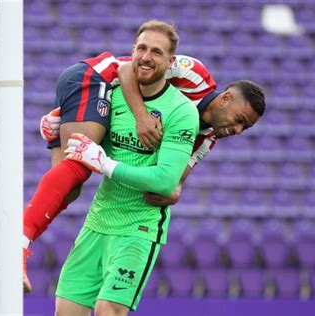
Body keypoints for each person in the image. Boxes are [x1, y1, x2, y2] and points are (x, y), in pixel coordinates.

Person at [22, 31, 215, 292]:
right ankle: (18, 244)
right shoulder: (197, 78)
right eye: (239, 118)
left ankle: (54, 137)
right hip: (96, 77)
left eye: (245, 127)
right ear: (227, 98)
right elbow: (125, 70)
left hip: (98, 92)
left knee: (68, 190)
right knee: (81, 164)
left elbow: (171, 183)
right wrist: (141, 116)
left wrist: (172, 192)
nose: (237, 128)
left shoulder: (206, 135)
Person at [54, 19, 200, 315]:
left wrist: (105, 164)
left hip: (138, 228)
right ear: (132, 51)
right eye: (141, 48)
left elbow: (164, 180)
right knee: (65, 312)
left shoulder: (182, 111)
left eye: (156, 52)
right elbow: (78, 143)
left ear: (170, 61)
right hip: (97, 222)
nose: (146, 57)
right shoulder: (112, 94)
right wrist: (53, 134)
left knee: (109, 311)